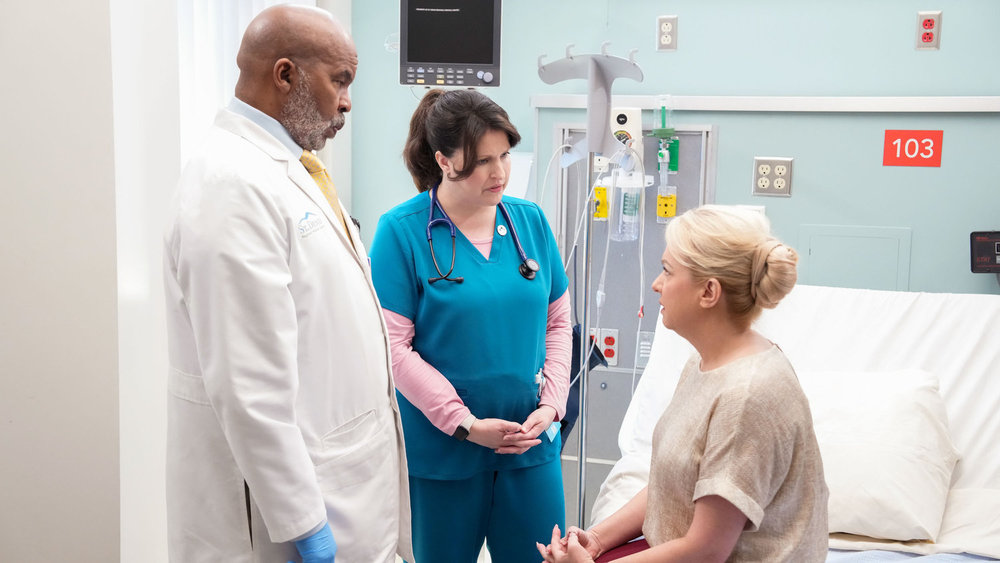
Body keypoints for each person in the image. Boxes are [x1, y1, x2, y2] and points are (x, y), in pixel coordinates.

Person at [162, 6, 412, 563]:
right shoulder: (230, 186)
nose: (347, 101)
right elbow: (248, 386)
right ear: (285, 75)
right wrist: (305, 526)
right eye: (340, 80)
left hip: (343, 485)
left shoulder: (290, 169)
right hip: (280, 524)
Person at [538, 205, 828, 563]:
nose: (656, 284)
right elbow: (671, 484)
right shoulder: (705, 362)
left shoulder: (747, 395)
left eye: (667, 271)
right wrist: (596, 540)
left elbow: (706, 551)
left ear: (708, 292)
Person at [367, 88, 573, 563]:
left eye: (505, 155)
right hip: (443, 454)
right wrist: (464, 423)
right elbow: (393, 348)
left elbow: (558, 322)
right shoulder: (401, 232)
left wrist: (553, 405)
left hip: (529, 445)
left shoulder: (530, 223)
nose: (500, 172)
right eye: (482, 161)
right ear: (443, 159)